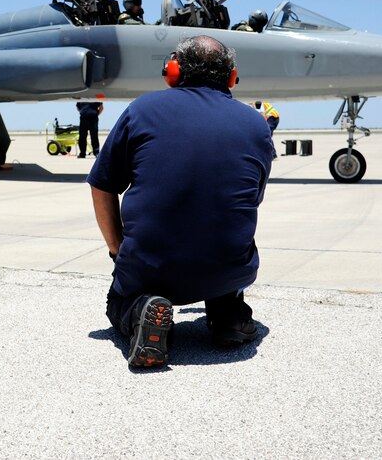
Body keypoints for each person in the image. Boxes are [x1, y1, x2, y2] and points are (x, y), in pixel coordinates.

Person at [88, 35, 274, 368]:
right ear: (232, 77)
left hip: (150, 268)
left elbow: (102, 186)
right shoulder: (256, 124)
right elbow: (249, 199)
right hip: (229, 268)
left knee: (119, 300)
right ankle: (229, 318)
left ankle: (140, 312)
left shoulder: (142, 109)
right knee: (224, 270)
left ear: (172, 71)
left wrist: (117, 249)